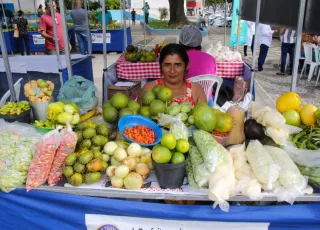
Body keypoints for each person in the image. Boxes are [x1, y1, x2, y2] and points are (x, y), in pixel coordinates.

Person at [139, 44, 207, 106]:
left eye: (177, 65)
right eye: (167, 65)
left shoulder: (196, 90)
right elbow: (138, 117)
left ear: (187, 66)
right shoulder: (149, 89)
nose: (172, 71)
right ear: (160, 66)